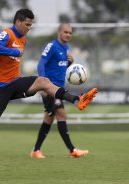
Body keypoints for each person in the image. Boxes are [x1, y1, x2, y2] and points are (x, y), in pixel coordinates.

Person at [0, 9, 97, 179]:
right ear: (18, 21)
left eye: (31, 25)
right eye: (27, 24)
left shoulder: (23, 37)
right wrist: (8, 55)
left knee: (43, 82)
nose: (29, 28)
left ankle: (77, 99)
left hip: (14, 82)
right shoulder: (8, 33)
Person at [30, 23, 89, 159]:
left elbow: (61, 67)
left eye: (70, 33)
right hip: (49, 88)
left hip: (58, 90)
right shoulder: (52, 46)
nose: (68, 35)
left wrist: (70, 62)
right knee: (60, 115)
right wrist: (43, 85)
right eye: (66, 32)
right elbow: (41, 64)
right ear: (59, 32)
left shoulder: (66, 48)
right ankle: (71, 150)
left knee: (50, 118)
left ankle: (36, 150)